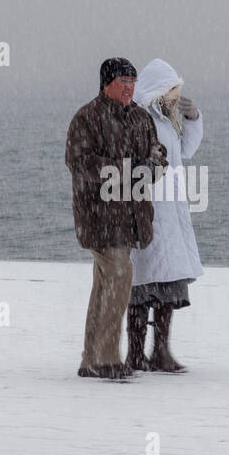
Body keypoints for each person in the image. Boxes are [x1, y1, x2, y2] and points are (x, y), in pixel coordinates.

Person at [65, 58, 167, 381]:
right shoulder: (86, 118)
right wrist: (128, 169)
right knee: (120, 277)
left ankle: (90, 358)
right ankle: (107, 359)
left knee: (105, 285)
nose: (129, 87)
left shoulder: (140, 118)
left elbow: (158, 153)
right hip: (99, 217)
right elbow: (80, 162)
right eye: (123, 81)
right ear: (106, 83)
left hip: (130, 217)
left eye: (132, 81)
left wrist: (152, 166)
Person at [127, 59, 204, 373]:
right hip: (150, 209)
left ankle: (160, 351)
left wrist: (193, 118)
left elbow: (186, 151)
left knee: (168, 285)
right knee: (143, 286)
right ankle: (135, 353)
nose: (176, 97)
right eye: (172, 90)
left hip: (171, 211)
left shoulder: (167, 119)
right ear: (158, 90)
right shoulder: (139, 119)